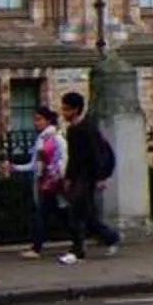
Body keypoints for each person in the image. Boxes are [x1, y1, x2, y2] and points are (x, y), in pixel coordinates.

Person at [10, 105, 85, 263]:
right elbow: (34, 164)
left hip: (53, 182)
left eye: (39, 119)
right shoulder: (43, 138)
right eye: (35, 119)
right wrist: (15, 167)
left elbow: (63, 159)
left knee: (44, 215)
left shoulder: (55, 138)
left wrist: (60, 176)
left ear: (48, 120)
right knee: (59, 214)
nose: (36, 123)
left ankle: (37, 248)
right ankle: (78, 242)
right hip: (46, 182)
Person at [59, 89, 121, 256]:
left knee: (79, 213)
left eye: (66, 109)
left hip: (87, 176)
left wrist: (100, 177)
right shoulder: (73, 130)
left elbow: (96, 153)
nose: (63, 112)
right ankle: (108, 238)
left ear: (76, 110)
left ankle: (81, 248)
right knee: (83, 213)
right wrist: (68, 177)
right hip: (79, 176)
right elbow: (74, 157)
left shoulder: (87, 128)